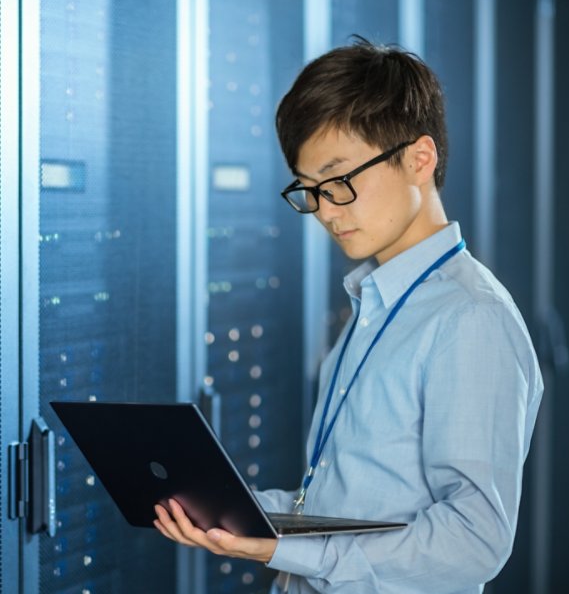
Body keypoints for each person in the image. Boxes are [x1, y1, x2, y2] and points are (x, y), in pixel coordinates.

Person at [154, 38, 543, 593]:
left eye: (339, 182)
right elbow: (348, 503)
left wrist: (299, 553)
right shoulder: (374, 305)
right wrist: (236, 513)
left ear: (419, 158)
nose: (327, 212)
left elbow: (474, 539)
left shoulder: (469, 318)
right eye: (310, 191)